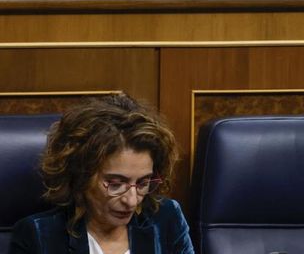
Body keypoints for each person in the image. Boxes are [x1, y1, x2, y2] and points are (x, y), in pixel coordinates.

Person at [9, 93, 193, 253]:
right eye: (116, 183)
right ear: (81, 174)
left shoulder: (167, 218)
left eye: (143, 183)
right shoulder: (39, 234)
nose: (131, 200)